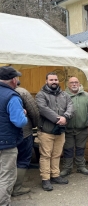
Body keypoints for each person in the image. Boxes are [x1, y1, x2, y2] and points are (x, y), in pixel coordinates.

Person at [35, 72, 74, 191]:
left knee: (57, 154)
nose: (54, 82)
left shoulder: (64, 95)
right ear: (46, 81)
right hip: (46, 131)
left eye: (56, 80)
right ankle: (45, 179)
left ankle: (55, 175)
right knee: (46, 155)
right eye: (51, 80)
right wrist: (59, 119)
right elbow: (43, 109)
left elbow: (70, 106)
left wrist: (65, 117)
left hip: (60, 131)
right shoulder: (41, 95)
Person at [0, 66, 27, 205]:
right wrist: (23, 114)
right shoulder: (12, 96)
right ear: (14, 80)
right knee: (6, 176)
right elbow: (19, 122)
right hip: (6, 143)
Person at [60, 77, 88, 177]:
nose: (74, 84)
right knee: (68, 149)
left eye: (76, 82)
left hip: (82, 128)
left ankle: (81, 166)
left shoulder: (87, 96)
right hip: (67, 129)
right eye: (72, 83)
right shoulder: (63, 96)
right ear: (68, 85)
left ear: (79, 83)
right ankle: (67, 168)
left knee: (80, 148)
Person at [13, 83, 40, 196]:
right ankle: (17, 187)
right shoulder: (22, 92)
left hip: (5, 134)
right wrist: (35, 125)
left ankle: (5, 188)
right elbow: (33, 111)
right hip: (24, 131)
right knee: (23, 159)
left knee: (7, 160)